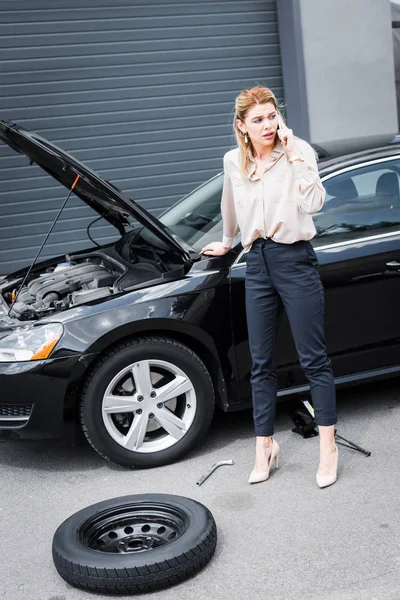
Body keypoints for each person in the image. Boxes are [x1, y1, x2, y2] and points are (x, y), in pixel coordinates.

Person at [200, 86, 338, 489]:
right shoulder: (233, 161)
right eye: (258, 119)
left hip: (294, 260)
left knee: (314, 358)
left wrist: (295, 153)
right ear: (241, 126)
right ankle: (265, 447)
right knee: (260, 363)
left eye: (272, 115)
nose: (268, 124)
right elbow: (230, 204)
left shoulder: (298, 152)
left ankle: (327, 448)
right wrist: (227, 241)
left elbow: (313, 203)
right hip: (256, 262)